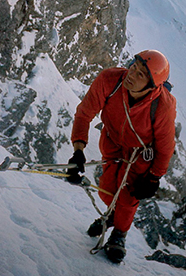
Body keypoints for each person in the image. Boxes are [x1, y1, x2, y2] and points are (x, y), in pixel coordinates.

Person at [67, 49, 176, 263]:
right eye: (133, 68)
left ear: (152, 85)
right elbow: (84, 113)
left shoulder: (163, 105)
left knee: (128, 195)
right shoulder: (110, 80)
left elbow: (165, 146)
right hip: (113, 143)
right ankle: (111, 217)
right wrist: (78, 152)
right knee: (107, 191)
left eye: (140, 75)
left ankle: (119, 235)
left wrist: (154, 177)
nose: (131, 75)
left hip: (140, 154)